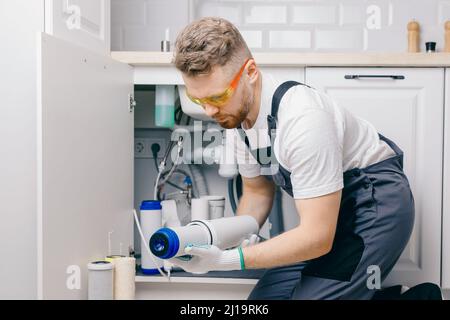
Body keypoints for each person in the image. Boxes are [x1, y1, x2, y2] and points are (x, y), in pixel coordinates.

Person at [168, 17, 415, 300]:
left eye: (218, 97)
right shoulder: (235, 118)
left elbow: (317, 237)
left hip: (374, 204)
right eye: (198, 100)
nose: (210, 112)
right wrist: (217, 240)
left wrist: (226, 260)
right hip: (324, 216)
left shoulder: (303, 119)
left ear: (250, 72)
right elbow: (257, 194)